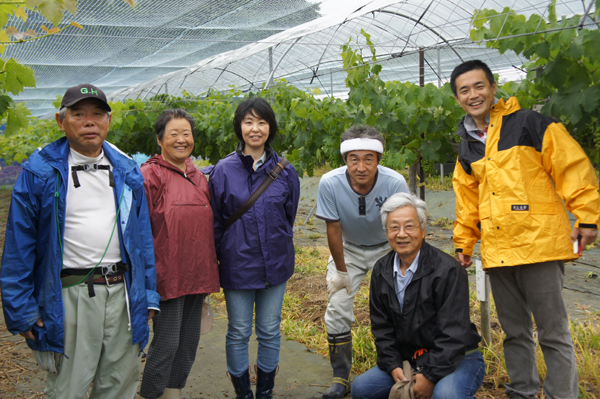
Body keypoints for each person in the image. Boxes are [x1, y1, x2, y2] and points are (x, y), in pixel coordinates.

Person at [451, 59, 600, 399]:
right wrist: (464, 242)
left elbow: (571, 166)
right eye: (464, 90)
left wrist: (587, 216)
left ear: (492, 88)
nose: (473, 95)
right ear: (457, 98)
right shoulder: (466, 144)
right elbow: (466, 200)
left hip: (540, 244)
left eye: (479, 86)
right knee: (514, 332)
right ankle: (522, 392)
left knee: (553, 331)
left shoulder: (530, 123)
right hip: (499, 250)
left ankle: (562, 395)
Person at [0, 84, 160, 399]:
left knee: (118, 384)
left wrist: (149, 293)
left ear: (109, 120)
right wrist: (21, 309)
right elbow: (20, 246)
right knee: (67, 389)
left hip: (123, 294)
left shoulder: (126, 170)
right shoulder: (40, 172)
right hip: (70, 294)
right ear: (61, 121)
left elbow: (142, 239)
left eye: (97, 114)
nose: (89, 122)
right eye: (78, 114)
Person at [209, 97, 300, 399]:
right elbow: (217, 221)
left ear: (270, 127)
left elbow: (288, 217)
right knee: (238, 331)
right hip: (238, 264)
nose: (255, 128)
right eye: (248, 122)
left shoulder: (285, 171)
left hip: (276, 263)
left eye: (261, 122)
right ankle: (242, 393)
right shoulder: (223, 170)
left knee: (270, 330)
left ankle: (264, 392)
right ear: (239, 127)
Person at [351, 192, 485, 399]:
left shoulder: (447, 270)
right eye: (394, 227)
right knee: (362, 389)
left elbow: (453, 334)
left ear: (423, 230)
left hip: (458, 357)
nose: (402, 234)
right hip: (410, 358)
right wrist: (393, 365)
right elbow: (382, 327)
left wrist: (429, 375)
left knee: (446, 396)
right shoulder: (382, 270)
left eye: (409, 226)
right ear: (386, 232)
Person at [316, 125, 409, 399]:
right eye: (353, 158)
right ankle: (340, 377)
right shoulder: (330, 183)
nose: (361, 166)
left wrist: (400, 262)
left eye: (368, 158)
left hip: (386, 247)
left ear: (379, 159)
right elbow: (333, 229)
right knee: (337, 307)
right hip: (349, 248)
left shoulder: (394, 182)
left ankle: (401, 365)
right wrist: (341, 272)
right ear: (344, 159)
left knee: (399, 304)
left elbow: (401, 225)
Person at [139, 109, 220, 399]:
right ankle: (150, 394)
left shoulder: (200, 177)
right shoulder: (150, 175)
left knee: (188, 342)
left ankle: (173, 393)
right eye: (173, 134)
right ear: (160, 139)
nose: (181, 139)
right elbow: (138, 230)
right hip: (168, 276)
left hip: (197, 273)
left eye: (186, 133)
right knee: (166, 343)